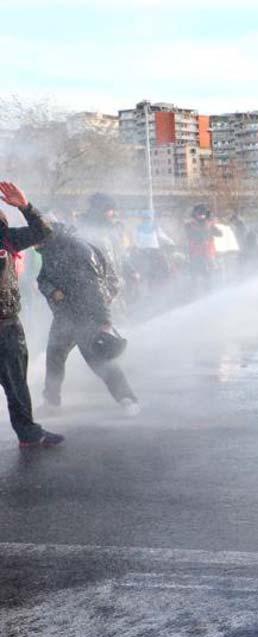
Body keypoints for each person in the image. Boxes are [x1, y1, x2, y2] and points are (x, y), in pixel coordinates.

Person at [36, 225, 138, 415]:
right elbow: (41, 279)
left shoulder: (78, 251)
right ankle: (51, 401)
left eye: (37, 239)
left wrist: (104, 321)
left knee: (98, 360)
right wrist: (52, 290)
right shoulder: (50, 252)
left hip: (87, 315)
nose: (34, 244)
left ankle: (127, 399)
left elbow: (95, 288)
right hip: (65, 315)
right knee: (54, 356)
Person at [0, 182, 64, 448]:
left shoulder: (7, 238)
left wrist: (25, 207)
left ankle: (28, 432)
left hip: (7, 324)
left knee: (16, 383)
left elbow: (45, 232)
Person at [184, 204, 222, 294]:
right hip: (196, 252)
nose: (201, 216)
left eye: (203, 213)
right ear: (195, 214)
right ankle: (194, 291)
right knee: (195, 272)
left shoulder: (209, 223)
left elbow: (218, 233)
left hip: (208, 252)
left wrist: (216, 231)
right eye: (199, 213)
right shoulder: (190, 225)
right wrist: (199, 237)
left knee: (210, 271)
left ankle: (209, 290)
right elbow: (190, 235)